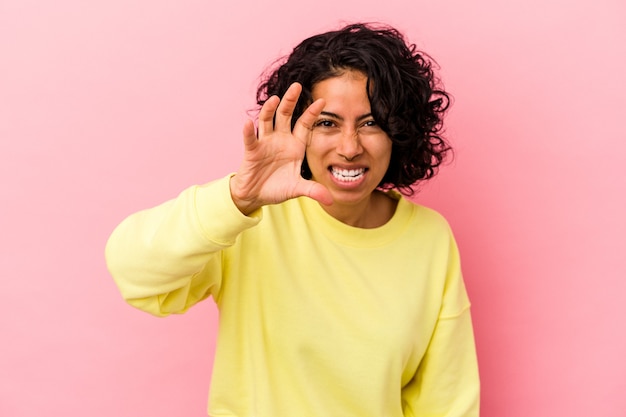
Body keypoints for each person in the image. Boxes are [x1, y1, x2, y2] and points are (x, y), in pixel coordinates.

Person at [106, 22, 480, 417]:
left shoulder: (429, 238)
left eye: (371, 122)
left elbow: (447, 403)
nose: (350, 147)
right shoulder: (250, 220)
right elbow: (133, 272)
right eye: (327, 123)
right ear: (299, 128)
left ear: (400, 130)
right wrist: (238, 198)